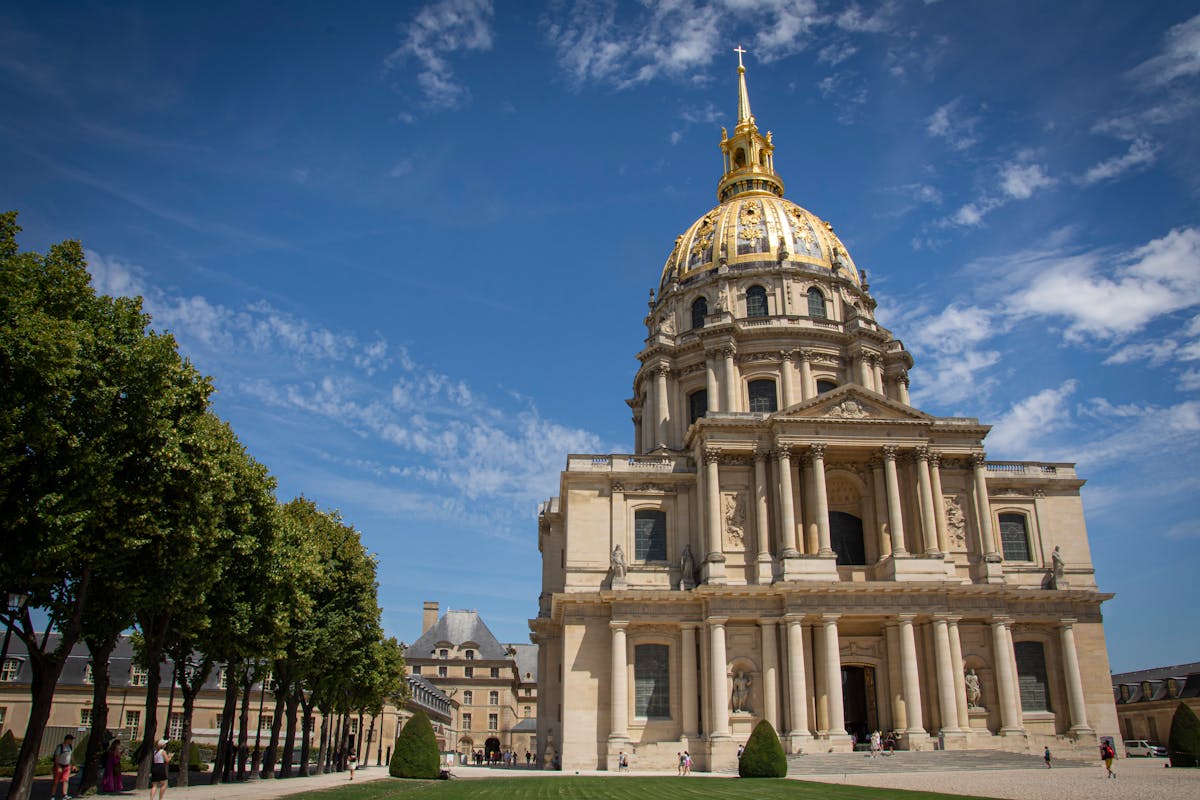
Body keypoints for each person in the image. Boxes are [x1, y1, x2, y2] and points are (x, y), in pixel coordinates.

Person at [51, 734, 74, 800]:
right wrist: (58, 766)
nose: (71, 741)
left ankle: (65, 795)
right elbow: (56, 757)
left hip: (67, 766)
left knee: (66, 780)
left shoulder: (70, 747)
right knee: (56, 781)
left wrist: (73, 764)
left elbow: (71, 756)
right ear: (67, 739)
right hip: (60, 765)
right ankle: (53, 795)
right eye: (71, 739)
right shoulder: (60, 747)